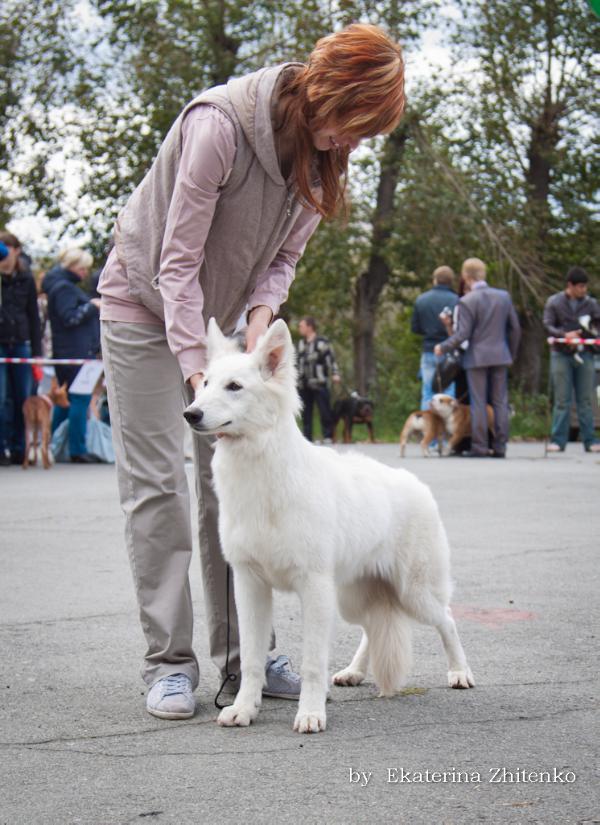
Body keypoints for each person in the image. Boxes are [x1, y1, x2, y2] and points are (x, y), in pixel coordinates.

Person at [96, 23, 406, 720]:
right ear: (330, 92)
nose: (355, 145)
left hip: (222, 321)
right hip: (144, 307)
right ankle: (171, 665)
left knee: (226, 497)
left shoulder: (324, 158)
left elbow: (282, 261)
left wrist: (262, 316)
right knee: (158, 489)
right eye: (356, 125)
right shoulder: (220, 128)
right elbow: (175, 265)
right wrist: (196, 374)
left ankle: (249, 661)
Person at [434, 257, 521, 458]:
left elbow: (463, 333)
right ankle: (500, 446)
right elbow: (515, 329)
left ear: (466, 276)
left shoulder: (467, 301)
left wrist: (443, 347)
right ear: (483, 274)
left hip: (476, 357)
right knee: (500, 401)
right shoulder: (503, 297)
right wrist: (511, 354)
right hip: (501, 355)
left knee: (479, 402)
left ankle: (480, 446)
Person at [42, 247, 101, 463]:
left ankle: (55, 444)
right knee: (80, 398)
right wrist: (91, 306)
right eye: (82, 268)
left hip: (69, 351)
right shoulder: (64, 289)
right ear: (72, 266)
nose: (85, 273)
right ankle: (77, 448)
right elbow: (70, 318)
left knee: (65, 399)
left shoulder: (59, 286)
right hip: (75, 352)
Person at [543, 267, 600, 453]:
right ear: (570, 285)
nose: (583, 290)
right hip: (561, 354)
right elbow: (548, 325)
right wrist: (564, 335)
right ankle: (558, 440)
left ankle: (590, 440)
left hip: (585, 353)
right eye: (580, 286)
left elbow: (597, 324)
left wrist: (586, 335)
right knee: (562, 399)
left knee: (585, 399)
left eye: (585, 286)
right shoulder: (554, 302)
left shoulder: (591, 304)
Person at [0, 231, 42, 466]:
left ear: (16, 250)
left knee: (22, 398)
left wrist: (37, 352)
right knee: (1, 398)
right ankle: (1, 446)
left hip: (21, 343)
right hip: (1, 344)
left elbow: (33, 316)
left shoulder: (26, 278)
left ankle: (20, 448)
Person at [411, 265, 459, 410]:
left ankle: (428, 430)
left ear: (434, 280)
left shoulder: (421, 300)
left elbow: (415, 328)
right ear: (451, 281)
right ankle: (445, 430)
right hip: (449, 351)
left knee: (427, 392)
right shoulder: (457, 300)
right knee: (448, 392)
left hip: (428, 350)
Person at [296, 316, 341, 442]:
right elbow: (296, 362)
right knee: (306, 413)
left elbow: (331, 360)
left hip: (319, 383)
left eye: (302, 326)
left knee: (325, 410)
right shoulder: (300, 344)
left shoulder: (322, 343)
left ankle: (327, 436)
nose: (300, 328)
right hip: (303, 384)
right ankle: (307, 438)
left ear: (310, 327)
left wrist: (335, 373)